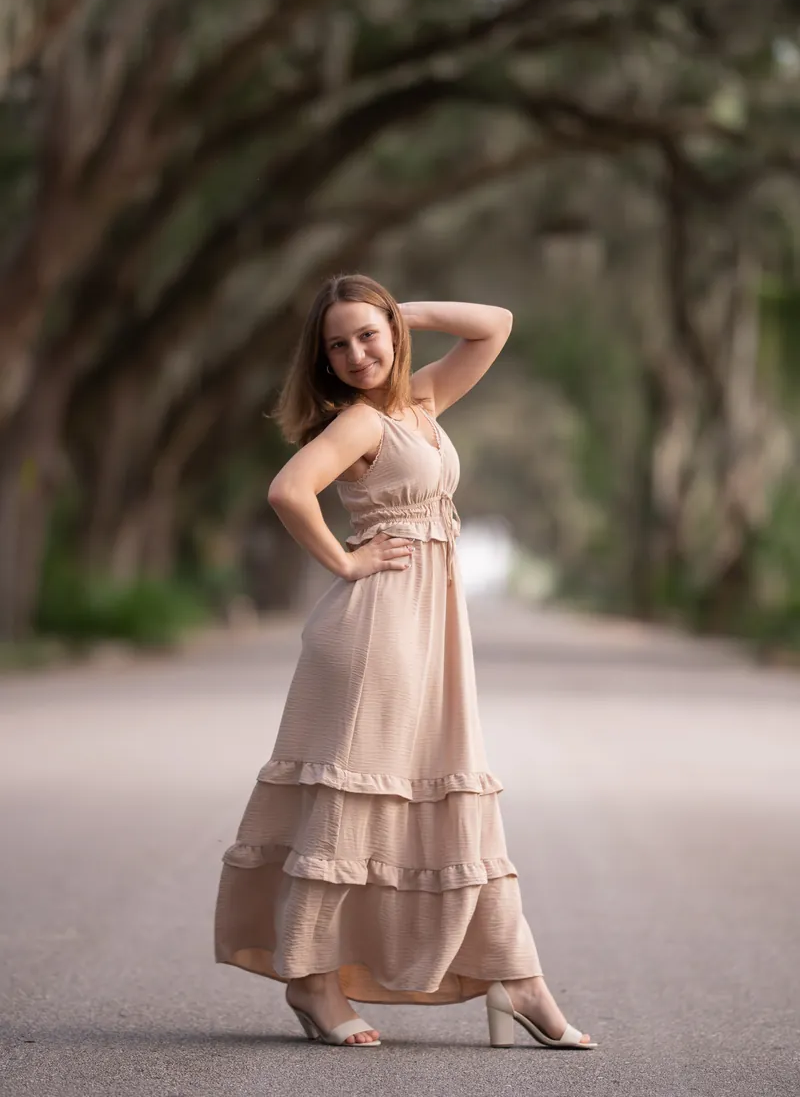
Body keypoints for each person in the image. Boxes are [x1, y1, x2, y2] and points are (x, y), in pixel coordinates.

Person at [214, 274, 596, 1050]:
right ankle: (315, 987)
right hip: (377, 631)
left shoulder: (418, 404)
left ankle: (515, 977)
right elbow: (290, 490)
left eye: (368, 335)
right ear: (322, 361)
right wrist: (346, 565)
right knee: (354, 803)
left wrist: (401, 311)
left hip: (431, 631)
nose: (356, 354)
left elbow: (497, 322)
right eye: (338, 345)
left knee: (449, 793)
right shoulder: (358, 424)